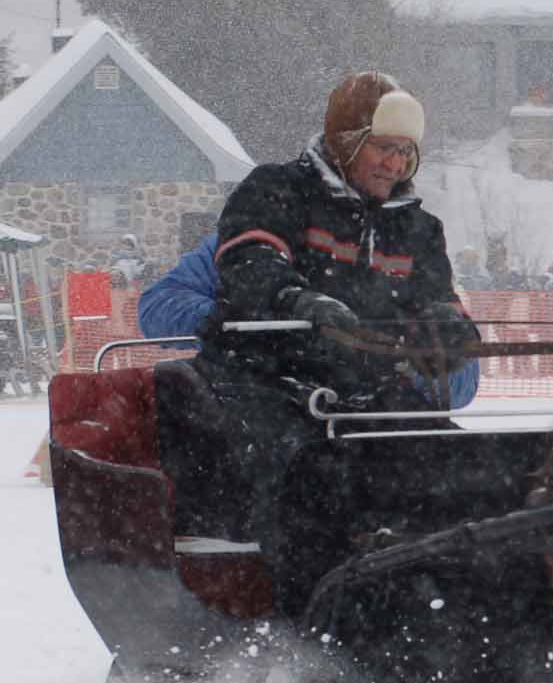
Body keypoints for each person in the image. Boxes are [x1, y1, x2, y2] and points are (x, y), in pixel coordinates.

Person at [198, 71, 481, 613]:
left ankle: (451, 609)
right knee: (310, 474)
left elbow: (440, 299)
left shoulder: (420, 230)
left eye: (405, 152)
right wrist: (296, 301)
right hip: (259, 383)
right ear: (345, 142)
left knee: (457, 462)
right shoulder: (276, 189)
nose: (395, 165)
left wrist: (448, 326)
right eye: (382, 148)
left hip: (366, 389)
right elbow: (249, 261)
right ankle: (310, 629)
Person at [143, 228, 478, 407]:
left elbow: (463, 384)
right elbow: (157, 306)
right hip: (259, 404)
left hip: (372, 424)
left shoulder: (406, 259)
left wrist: (408, 353)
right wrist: (239, 323)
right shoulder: (245, 242)